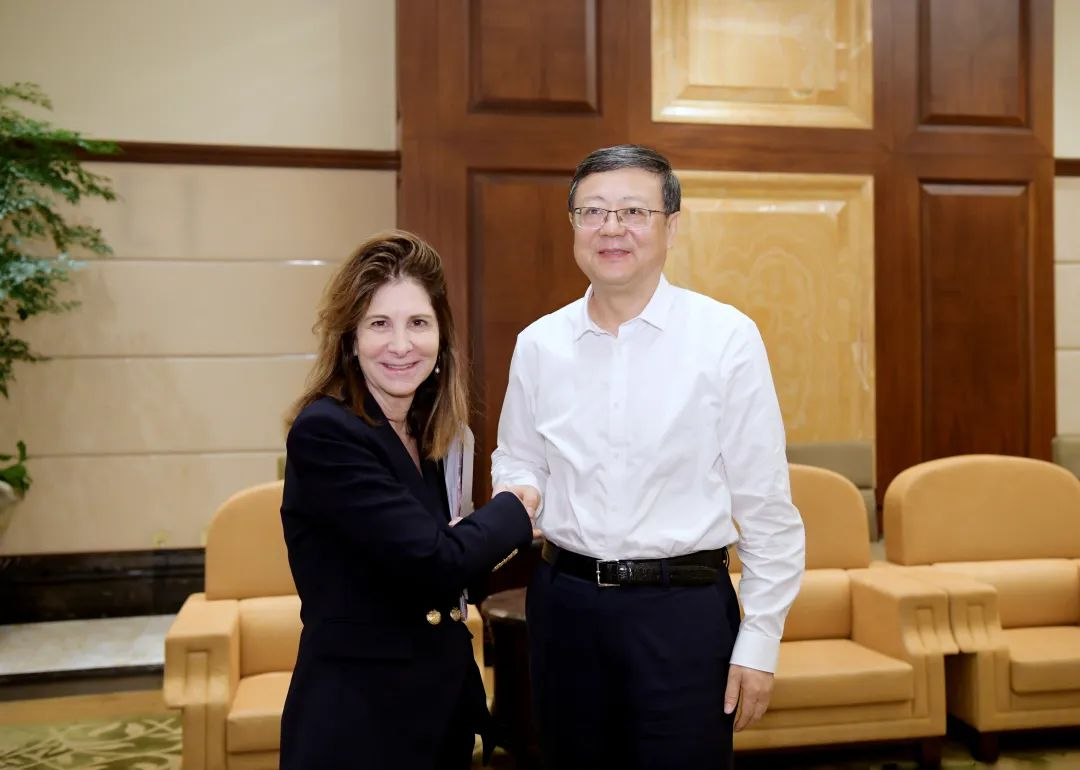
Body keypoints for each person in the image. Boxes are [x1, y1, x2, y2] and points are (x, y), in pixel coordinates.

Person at [492, 145, 806, 770]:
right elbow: (518, 459)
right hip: (565, 606)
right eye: (593, 211)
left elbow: (766, 506)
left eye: (634, 211)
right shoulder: (539, 344)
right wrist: (521, 494)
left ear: (672, 226)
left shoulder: (726, 338)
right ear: (573, 225)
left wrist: (760, 640)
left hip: (682, 613)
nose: (612, 228)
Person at [280, 230, 536, 770]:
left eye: (418, 323)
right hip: (358, 726)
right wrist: (518, 506)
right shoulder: (327, 431)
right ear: (350, 340)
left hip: (438, 717)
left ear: (441, 337)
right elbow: (434, 560)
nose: (401, 345)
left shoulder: (432, 437)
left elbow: (452, 574)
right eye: (379, 324)